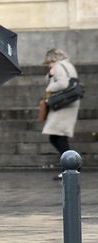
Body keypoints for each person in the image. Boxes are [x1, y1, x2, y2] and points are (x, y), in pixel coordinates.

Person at [42, 48, 80, 180]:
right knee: (58, 136)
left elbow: (63, 84)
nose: (49, 65)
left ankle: (70, 167)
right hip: (68, 103)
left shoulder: (59, 67)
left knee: (57, 137)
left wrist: (49, 88)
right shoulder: (68, 65)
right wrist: (51, 76)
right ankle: (71, 165)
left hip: (62, 105)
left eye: (49, 62)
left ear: (54, 59)